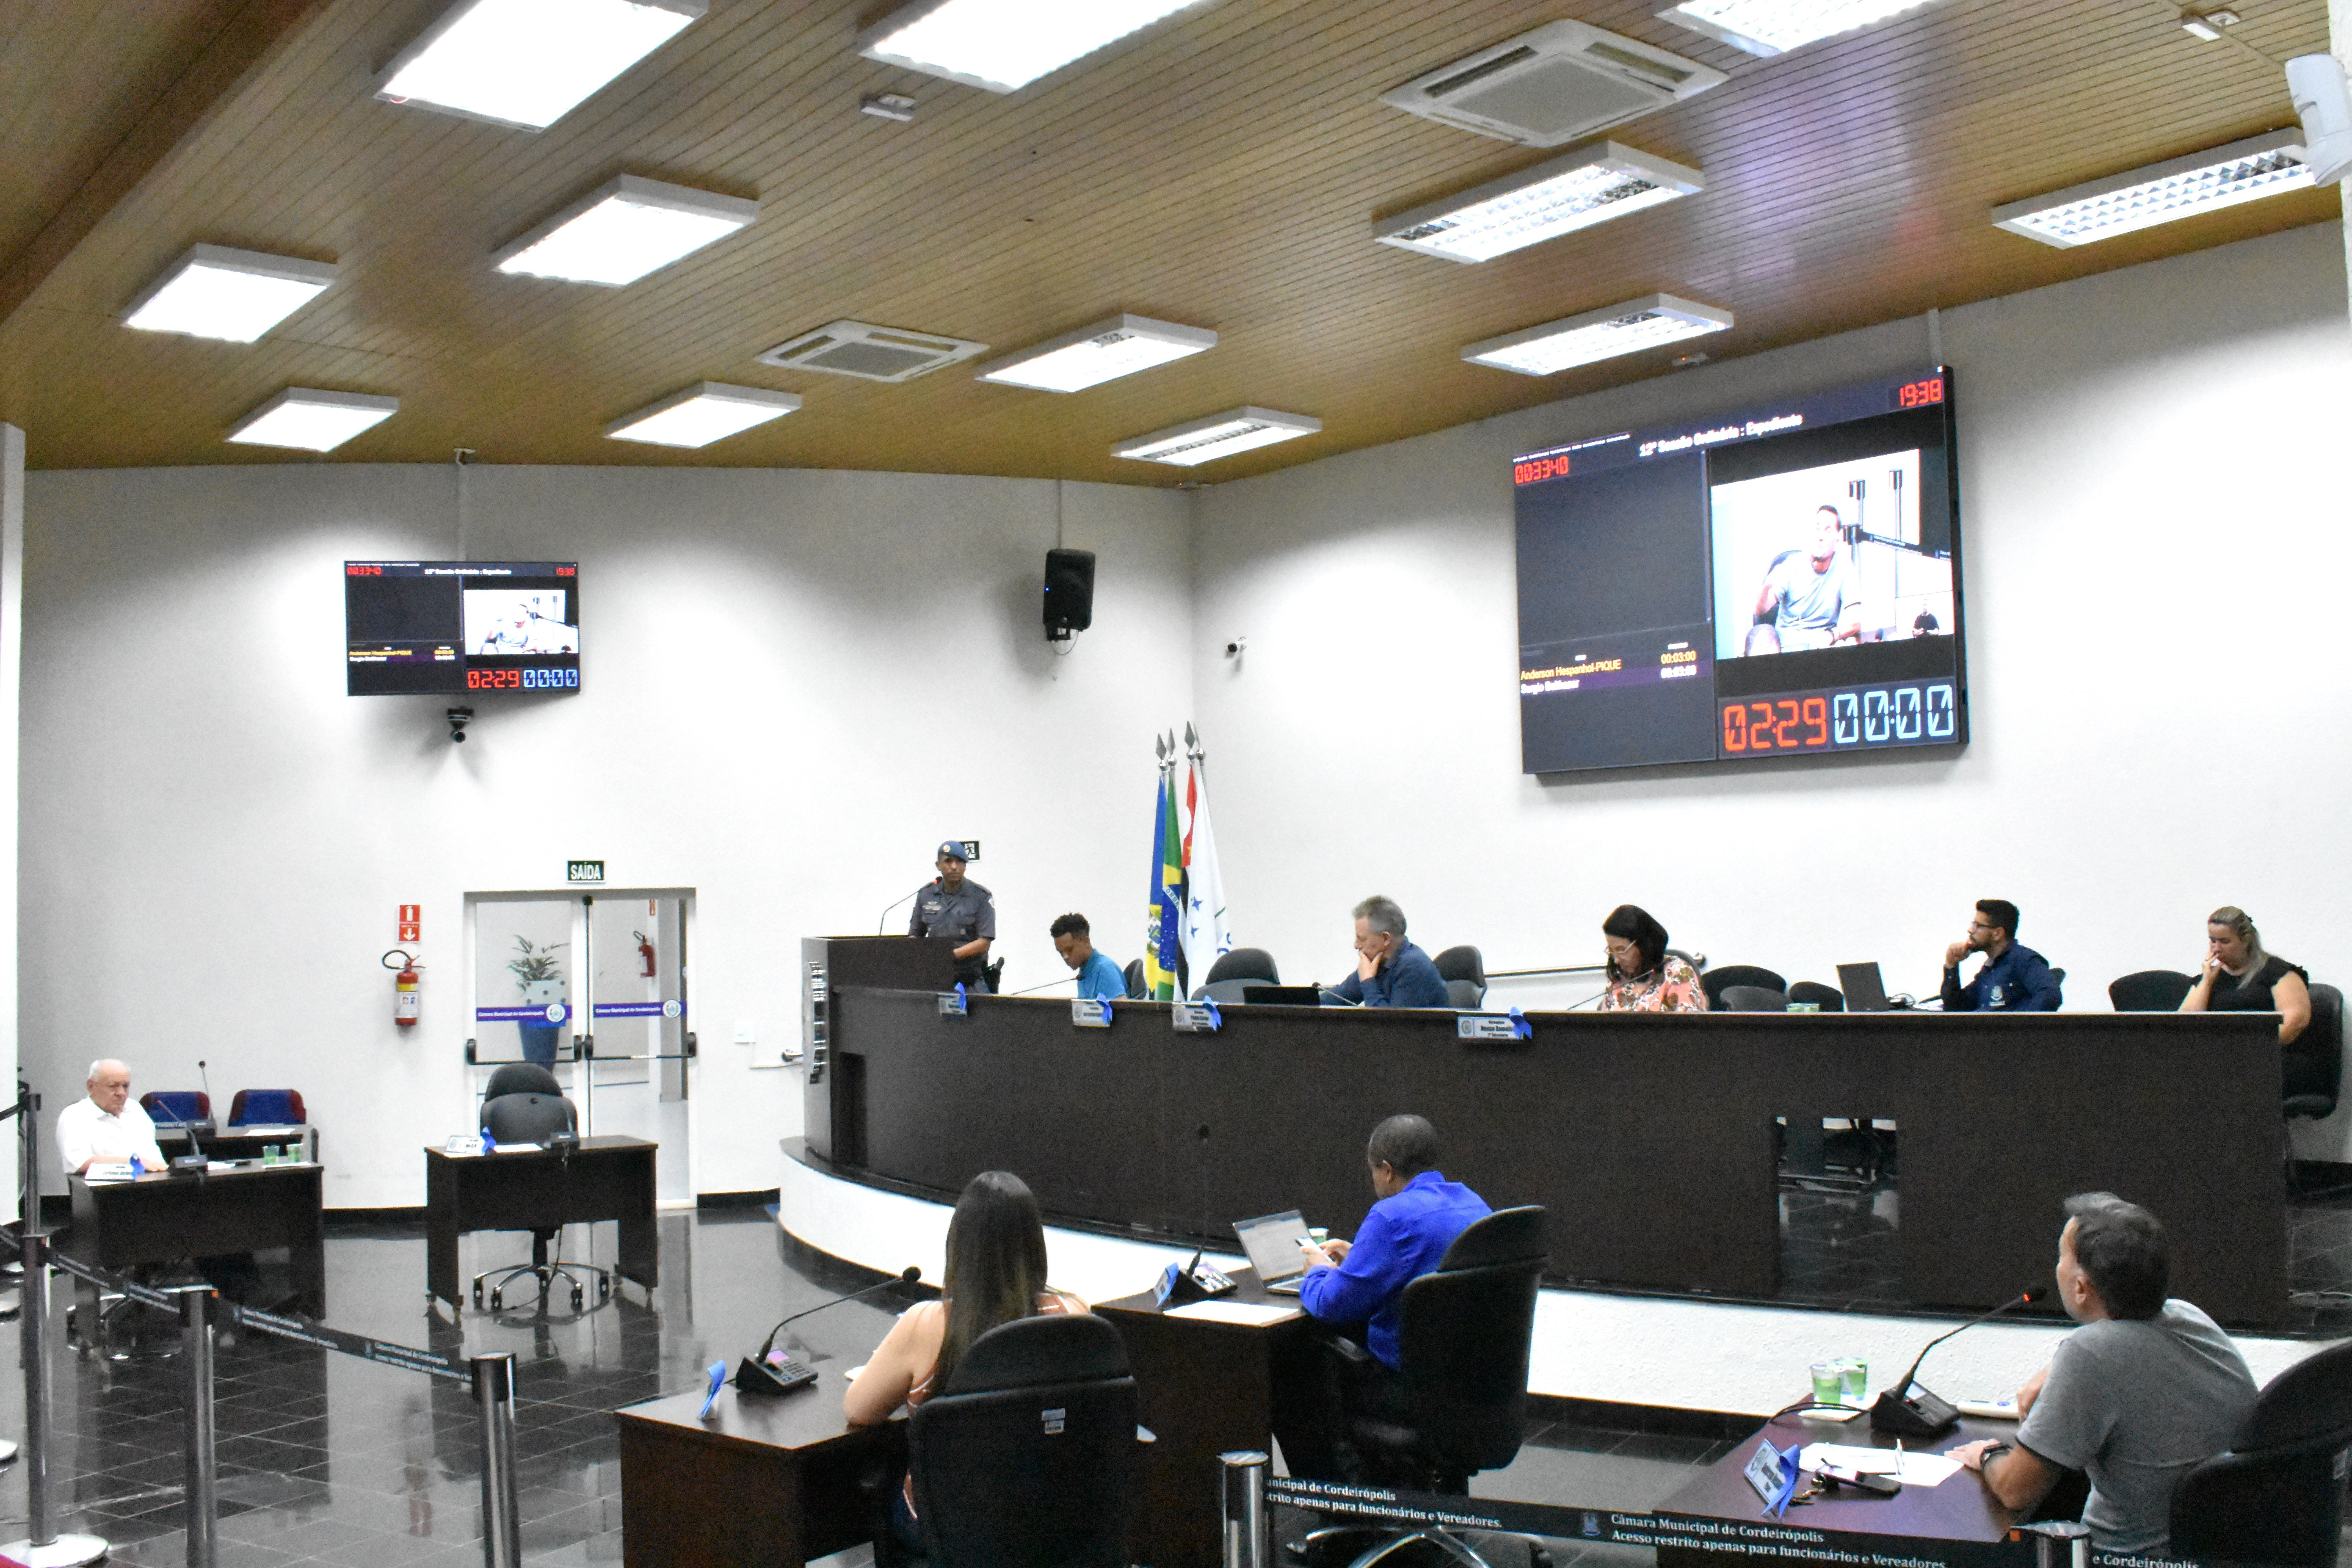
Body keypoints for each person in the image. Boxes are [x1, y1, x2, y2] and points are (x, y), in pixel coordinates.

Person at [1948, 1193, 2255, 1556]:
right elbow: (2123, 1349)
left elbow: (2016, 1491)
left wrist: (1987, 1454)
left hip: (2124, 1559)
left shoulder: (2091, 1354)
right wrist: (2057, 1367)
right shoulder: (2188, 1316)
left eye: (2061, 1258)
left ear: (2081, 1288)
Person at [844, 1171, 1087, 1547]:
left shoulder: (926, 1324)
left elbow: (859, 1410)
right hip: (1050, 1519)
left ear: (958, 1246)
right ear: (1035, 1243)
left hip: (951, 1528)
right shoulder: (1073, 1314)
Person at [1273, 1114, 1492, 1480]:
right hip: (1467, 1385)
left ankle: (1344, 1500)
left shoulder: (1391, 1217)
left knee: (1291, 1372)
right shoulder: (1473, 1204)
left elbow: (1330, 1304)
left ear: (1387, 1171)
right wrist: (1360, 1257)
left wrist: (1317, 1270)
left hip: (1404, 1390)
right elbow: (1427, 1265)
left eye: (1374, 1171)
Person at [2180, 905, 2310, 1046]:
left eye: (2225, 942)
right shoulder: (2209, 977)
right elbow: (2183, 1025)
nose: (2216, 948)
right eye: (2213, 941)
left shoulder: (2277, 972)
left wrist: (2255, 1050)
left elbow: (2296, 1020)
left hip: (2266, 1052)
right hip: (2215, 1053)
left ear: (2245, 941)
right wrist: (2206, 982)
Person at [1748, 505, 1862, 654]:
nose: (1821, 536)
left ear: (1837, 537)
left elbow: (1856, 619)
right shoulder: (1791, 564)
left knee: (1853, 643)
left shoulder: (1844, 566)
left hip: (1821, 647)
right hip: (1785, 649)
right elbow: (1760, 611)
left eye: (1828, 531)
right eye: (1817, 529)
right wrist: (1765, 590)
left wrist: (1832, 635)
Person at [1325, 896, 1450, 1008]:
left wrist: (1368, 982)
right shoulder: (1378, 963)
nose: (1356, 945)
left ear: (1385, 938)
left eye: (1362, 939)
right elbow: (1337, 998)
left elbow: (1389, 1023)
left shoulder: (1413, 967)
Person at [1941, 898, 2062, 1011]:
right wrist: (1952, 966)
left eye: (1978, 926)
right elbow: (1956, 1007)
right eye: (1973, 924)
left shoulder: (2024, 960)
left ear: (1998, 934)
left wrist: (2014, 1022)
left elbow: (2050, 996)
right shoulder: (1990, 970)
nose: (1971, 930)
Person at [909, 840, 996, 993]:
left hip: (970, 980)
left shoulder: (981, 896)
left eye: (959, 862)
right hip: (935, 976)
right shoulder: (926, 895)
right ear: (938, 865)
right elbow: (915, 936)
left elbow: (984, 942)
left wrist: (950, 956)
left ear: (965, 865)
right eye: (948, 861)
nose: (954, 867)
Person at [56, 1058, 167, 1174]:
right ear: (91, 1086)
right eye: (113, 1086)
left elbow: (154, 1158)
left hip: (152, 1180)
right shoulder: (75, 1115)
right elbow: (78, 1162)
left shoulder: (135, 1109)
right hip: (108, 1184)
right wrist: (134, 1162)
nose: (121, 1093)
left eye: (125, 1086)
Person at [1596, 904, 1706, 1012]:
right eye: (1611, 951)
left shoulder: (1678, 974)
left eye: (1622, 950)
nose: (1616, 960)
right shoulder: (1619, 977)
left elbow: (1691, 1022)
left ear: (1643, 945)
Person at [1050, 912, 1127, 1001]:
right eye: (1061, 953)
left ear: (1086, 941)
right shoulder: (1085, 972)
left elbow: (1123, 1007)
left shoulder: (1104, 969)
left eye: (1070, 950)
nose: (1066, 957)